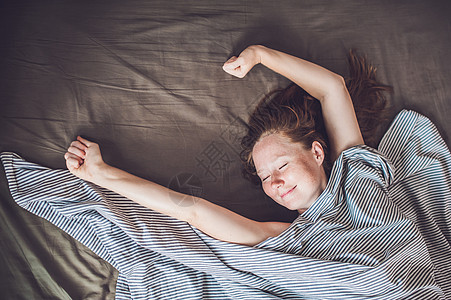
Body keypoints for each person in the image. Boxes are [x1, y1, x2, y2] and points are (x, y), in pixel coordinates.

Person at [64, 45, 388, 247]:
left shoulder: (358, 175)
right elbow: (195, 211)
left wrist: (260, 55)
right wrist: (100, 174)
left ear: (317, 153)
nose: (273, 183)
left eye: (282, 165)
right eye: (264, 177)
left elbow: (333, 88)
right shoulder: (285, 237)